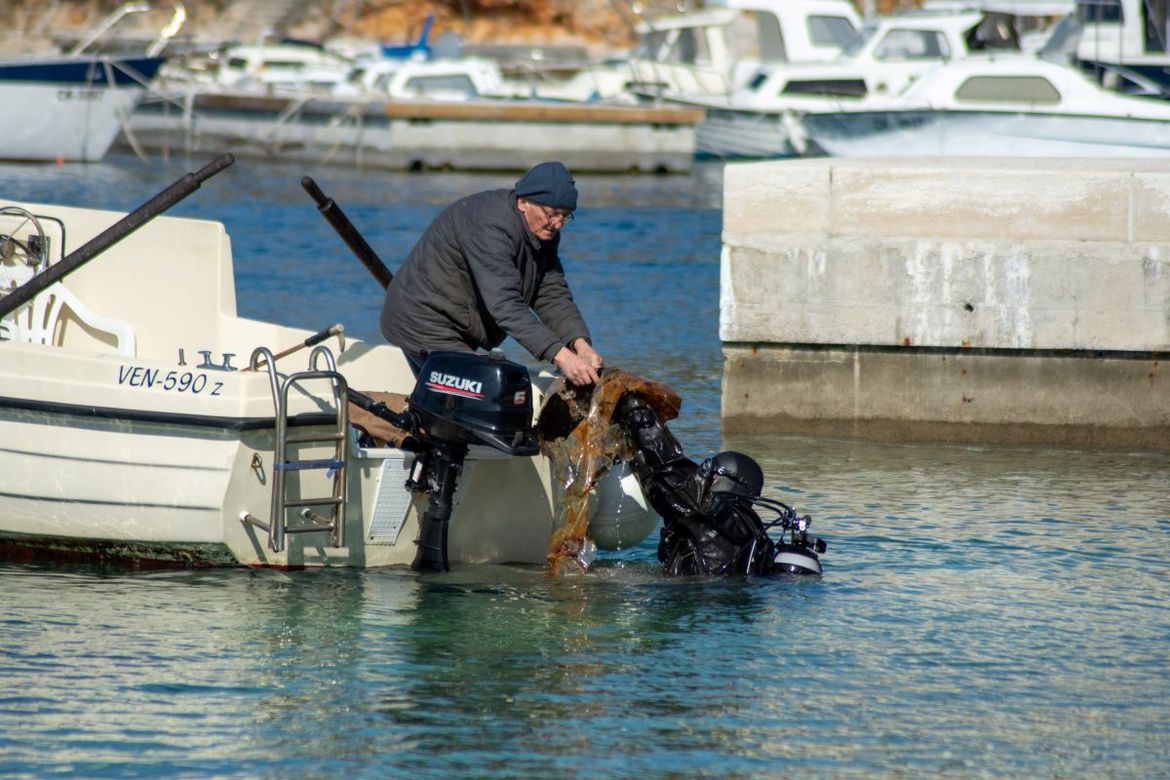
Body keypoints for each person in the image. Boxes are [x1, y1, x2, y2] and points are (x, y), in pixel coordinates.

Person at [379, 161, 603, 386]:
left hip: (458, 324)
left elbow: (551, 293)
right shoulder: (490, 227)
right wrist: (562, 356)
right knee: (476, 398)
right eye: (552, 214)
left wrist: (580, 345)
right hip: (422, 321)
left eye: (565, 216)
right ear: (523, 201)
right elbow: (505, 306)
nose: (557, 224)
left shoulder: (543, 232)